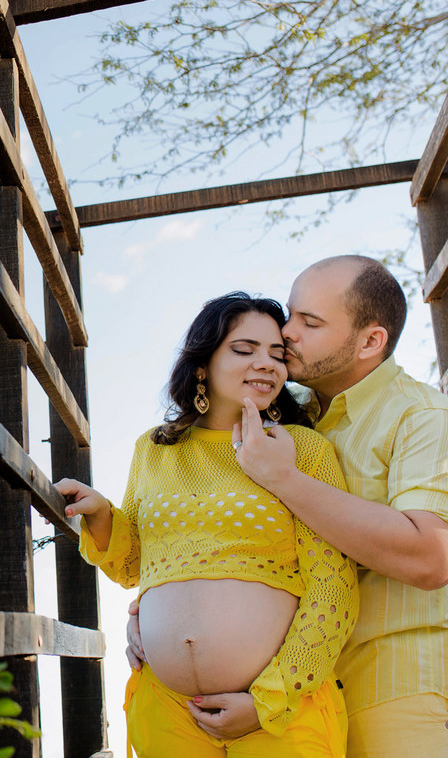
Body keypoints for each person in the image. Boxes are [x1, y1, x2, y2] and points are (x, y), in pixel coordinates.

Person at [221, 255, 448, 757]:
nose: (287, 332)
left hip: (409, 687)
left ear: (371, 341)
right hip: (308, 697)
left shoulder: (426, 421)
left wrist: (285, 479)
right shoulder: (292, 423)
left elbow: (431, 557)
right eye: (291, 314)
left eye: (310, 322)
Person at [56, 291, 359, 758]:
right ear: (202, 366)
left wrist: (269, 699)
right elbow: (134, 566)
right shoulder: (154, 448)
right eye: (245, 350)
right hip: (167, 706)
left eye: (277, 354)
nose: (267, 364)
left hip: (278, 713)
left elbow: (333, 588)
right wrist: (100, 515)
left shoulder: (302, 449)